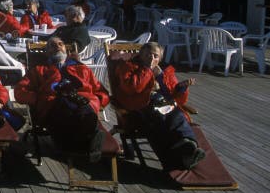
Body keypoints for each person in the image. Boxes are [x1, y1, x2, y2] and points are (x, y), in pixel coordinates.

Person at [112, 42, 205, 170]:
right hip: (139, 107)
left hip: (164, 106)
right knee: (162, 119)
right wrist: (147, 70)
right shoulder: (128, 67)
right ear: (140, 55)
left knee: (176, 113)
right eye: (148, 55)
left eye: (155, 56)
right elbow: (132, 88)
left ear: (160, 59)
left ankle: (189, 147)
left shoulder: (164, 73)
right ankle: (181, 155)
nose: (152, 58)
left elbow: (175, 97)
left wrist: (181, 89)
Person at [14, 36, 109, 159]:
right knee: (67, 109)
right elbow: (19, 91)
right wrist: (37, 99)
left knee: (84, 109)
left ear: (66, 49)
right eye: (53, 45)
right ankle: (91, 140)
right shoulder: (39, 70)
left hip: (83, 103)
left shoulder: (81, 68)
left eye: (61, 43)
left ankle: (81, 141)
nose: (58, 46)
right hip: (54, 106)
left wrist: (97, 102)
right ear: (47, 52)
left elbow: (101, 91)